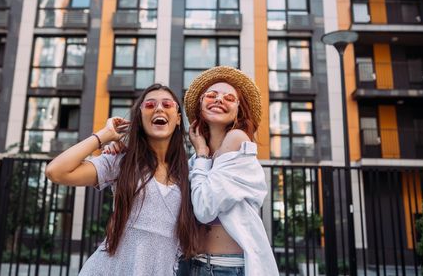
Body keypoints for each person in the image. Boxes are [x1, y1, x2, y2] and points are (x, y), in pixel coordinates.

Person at [45, 84, 199, 276]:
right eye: (150, 105)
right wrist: (104, 135)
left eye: (167, 104)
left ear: (177, 118)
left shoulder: (190, 171)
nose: (159, 108)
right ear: (140, 118)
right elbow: (55, 171)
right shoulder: (121, 161)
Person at [184, 66, 279, 276]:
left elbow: (203, 208)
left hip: (224, 268)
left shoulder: (237, 139)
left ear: (238, 110)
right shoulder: (198, 159)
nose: (219, 100)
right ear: (200, 104)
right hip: (194, 265)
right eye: (211, 95)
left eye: (229, 98)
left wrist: (200, 152)